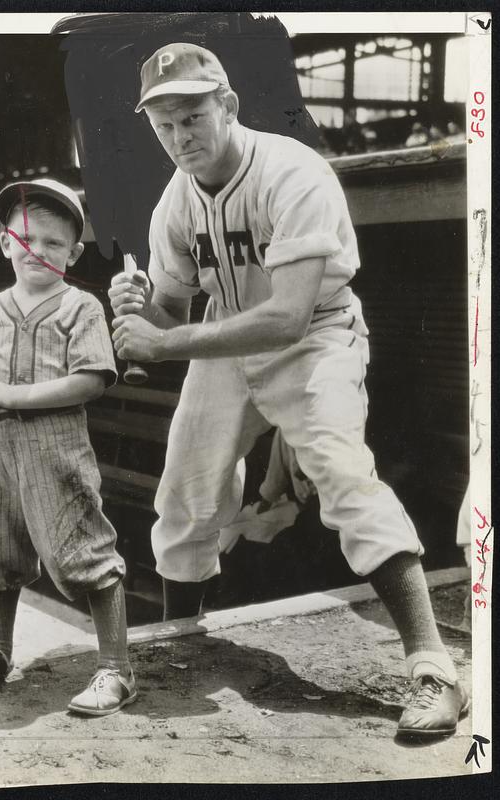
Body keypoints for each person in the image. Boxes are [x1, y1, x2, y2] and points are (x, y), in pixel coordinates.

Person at [109, 43, 467, 738]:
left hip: (315, 337)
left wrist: (163, 340)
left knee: (340, 474)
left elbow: (288, 316)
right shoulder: (174, 202)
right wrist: (137, 304)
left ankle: (433, 670)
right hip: (225, 339)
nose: (180, 137)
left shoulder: (293, 173)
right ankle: (179, 638)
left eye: (192, 116)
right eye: (164, 125)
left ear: (229, 105)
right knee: (186, 489)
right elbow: (172, 319)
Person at [0, 178, 136, 716]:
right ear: (6, 242)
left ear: (74, 253)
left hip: (54, 446)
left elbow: (92, 380)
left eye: (55, 244)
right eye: (27, 238)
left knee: (83, 548)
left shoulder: (81, 307)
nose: (38, 251)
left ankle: (116, 668)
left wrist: (9, 393)